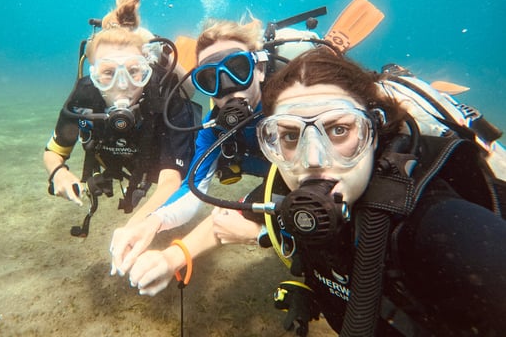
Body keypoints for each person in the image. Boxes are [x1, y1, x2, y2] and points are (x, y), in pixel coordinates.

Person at [129, 47, 506, 336]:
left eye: (339, 130)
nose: (311, 159)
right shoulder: (282, 191)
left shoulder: (442, 226)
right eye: (290, 135)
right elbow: (221, 223)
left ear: (373, 132)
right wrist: (171, 258)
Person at [109, 19, 282, 275]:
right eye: (211, 78)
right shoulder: (213, 129)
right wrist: (153, 222)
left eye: (238, 68)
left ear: (260, 68)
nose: (228, 85)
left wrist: (262, 230)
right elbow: (193, 191)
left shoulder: (290, 112)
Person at [43, 0, 196, 234]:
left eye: (135, 71)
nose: (122, 84)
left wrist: (135, 225)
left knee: (190, 77)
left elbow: (172, 179)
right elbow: (54, 151)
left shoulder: (163, 96)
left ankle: (170, 49)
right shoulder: (84, 95)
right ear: (93, 74)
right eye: (108, 73)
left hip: (155, 162)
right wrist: (59, 173)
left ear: (146, 69)